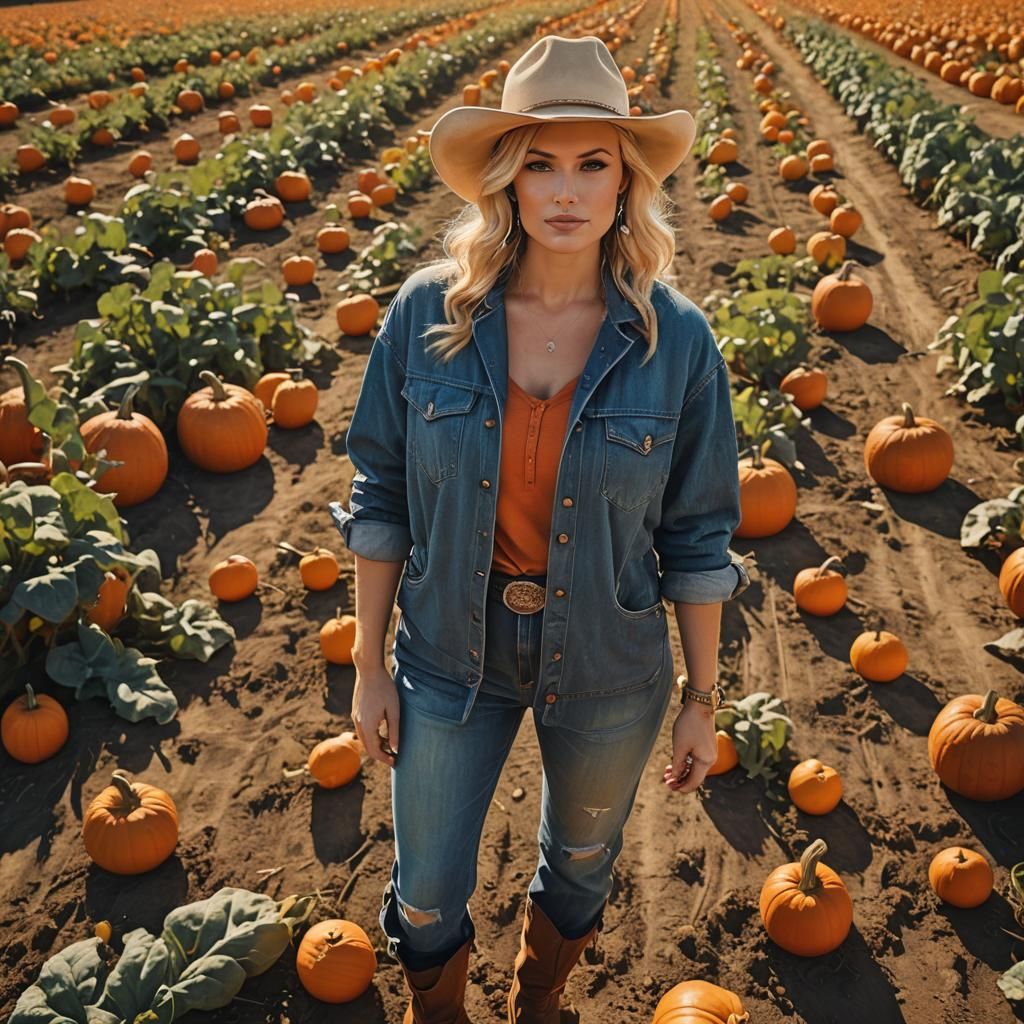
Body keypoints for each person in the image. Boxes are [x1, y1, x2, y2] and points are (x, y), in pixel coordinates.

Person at [328, 33, 750, 1024]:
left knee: (582, 859)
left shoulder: (675, 339)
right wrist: (368, 662)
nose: (566, 190)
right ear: (507, 184)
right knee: (425, 885)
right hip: (445, 650)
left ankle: (538, 999)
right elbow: (379, 492)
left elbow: (697, 534)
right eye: (541, 165)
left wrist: (701, 695)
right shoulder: (428, 317)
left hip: (608, 656)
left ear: (624, 181)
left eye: (591, 163)